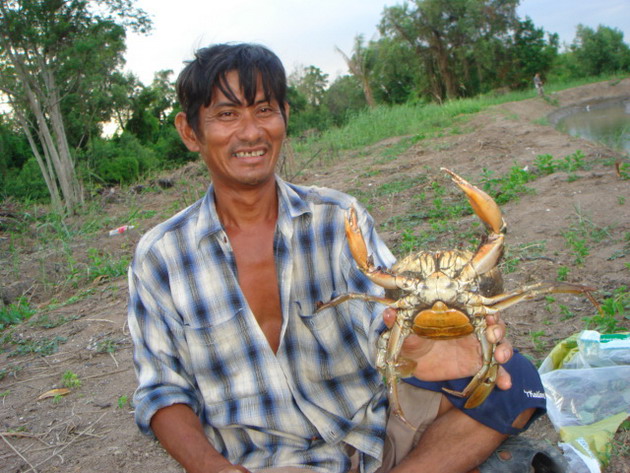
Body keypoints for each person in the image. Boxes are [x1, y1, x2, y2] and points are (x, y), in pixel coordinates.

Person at [128, 43, 553, 473]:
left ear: (285, 116)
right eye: (226, 114)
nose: (251, 132)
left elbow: (385, 312)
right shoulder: (161, 258)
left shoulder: (338, 219)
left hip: (373, 428)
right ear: (189, 131)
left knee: (512, 382)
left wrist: (425, 348)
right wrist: (212, 468)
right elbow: (163, 390)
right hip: (273, 461)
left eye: (264, 110)